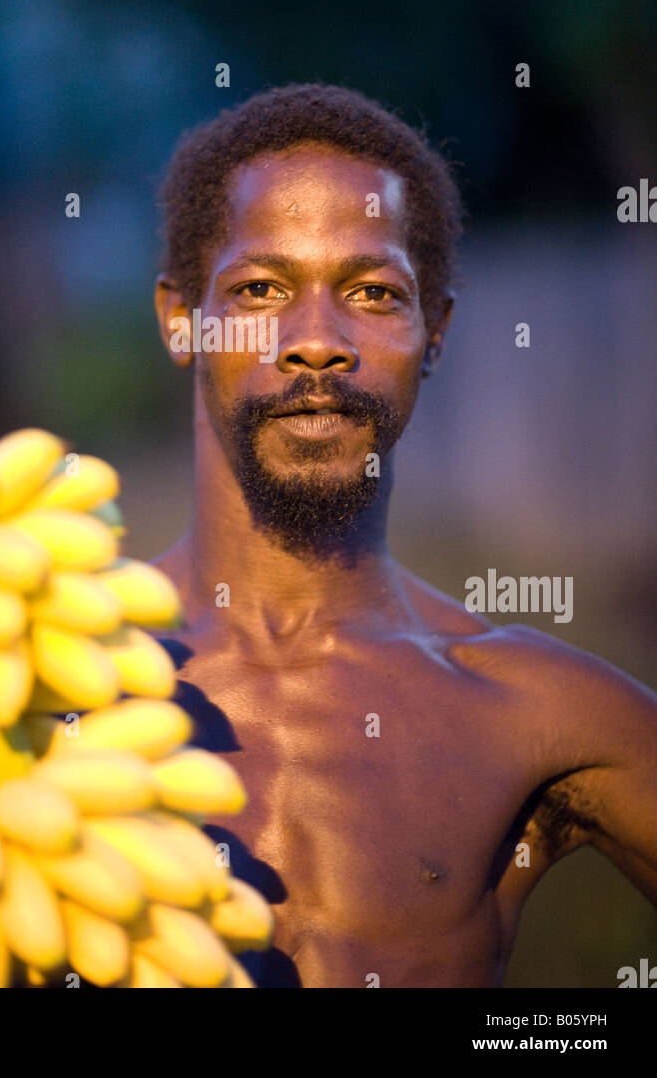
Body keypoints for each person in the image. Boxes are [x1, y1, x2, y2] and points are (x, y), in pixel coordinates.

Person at [146, 81, 657, 988]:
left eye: (373, 292)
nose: (315, 342)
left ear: (435, 332)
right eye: (261, 287)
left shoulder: (545, 715)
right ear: (182, 320)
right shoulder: (26, 693)